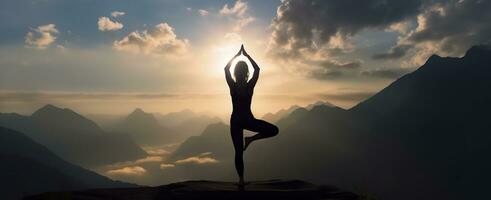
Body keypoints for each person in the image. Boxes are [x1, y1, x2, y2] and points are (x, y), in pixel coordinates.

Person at [224, 45, 279, 187]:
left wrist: (237, 56)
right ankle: (251, 139)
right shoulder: (250, 86)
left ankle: (241, 180)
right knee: (274, 130)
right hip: (248, 120)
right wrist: (246, 56)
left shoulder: (233, 86)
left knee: (238, 152)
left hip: (236, 121)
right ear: (246, 72)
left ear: (236, 72)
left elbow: (225, 69)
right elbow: (258, 69)